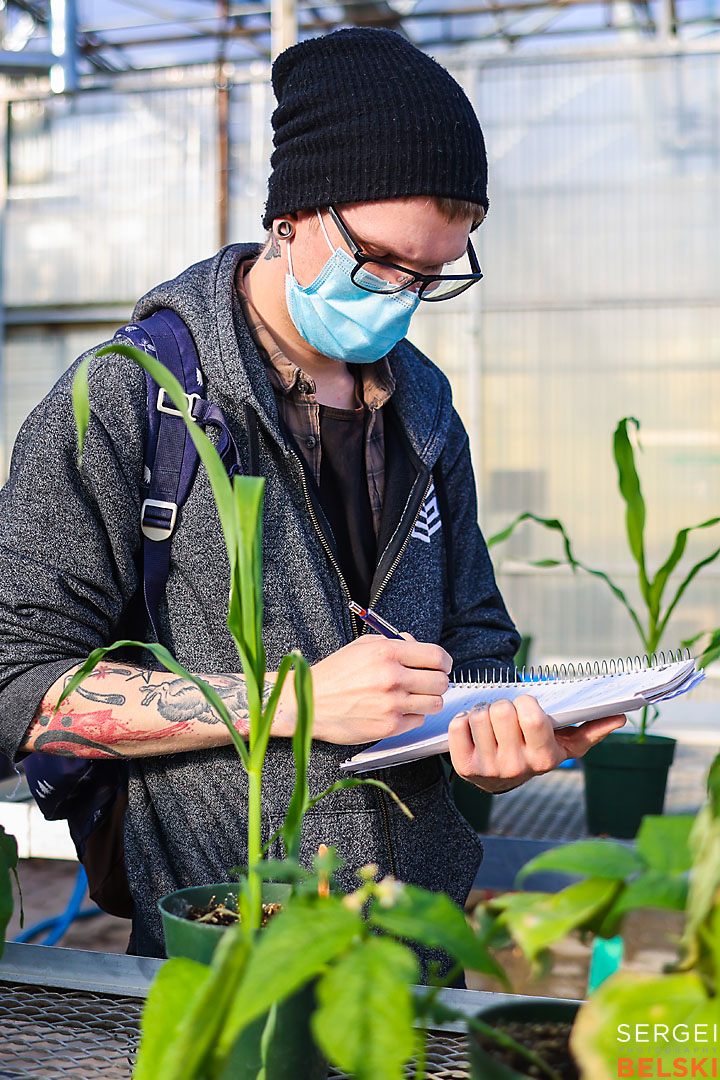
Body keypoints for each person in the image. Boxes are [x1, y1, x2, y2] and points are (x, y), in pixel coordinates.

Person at [0, 27, 625, 961]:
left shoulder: (423, 406)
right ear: (292, 215)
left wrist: (500, 748)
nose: (399, 297)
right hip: (230, 948)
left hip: (414, 939)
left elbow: (477, 644)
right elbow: (16, 686)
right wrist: (292, 700)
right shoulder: (133, 399)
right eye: (378, 262)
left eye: (430, 277)